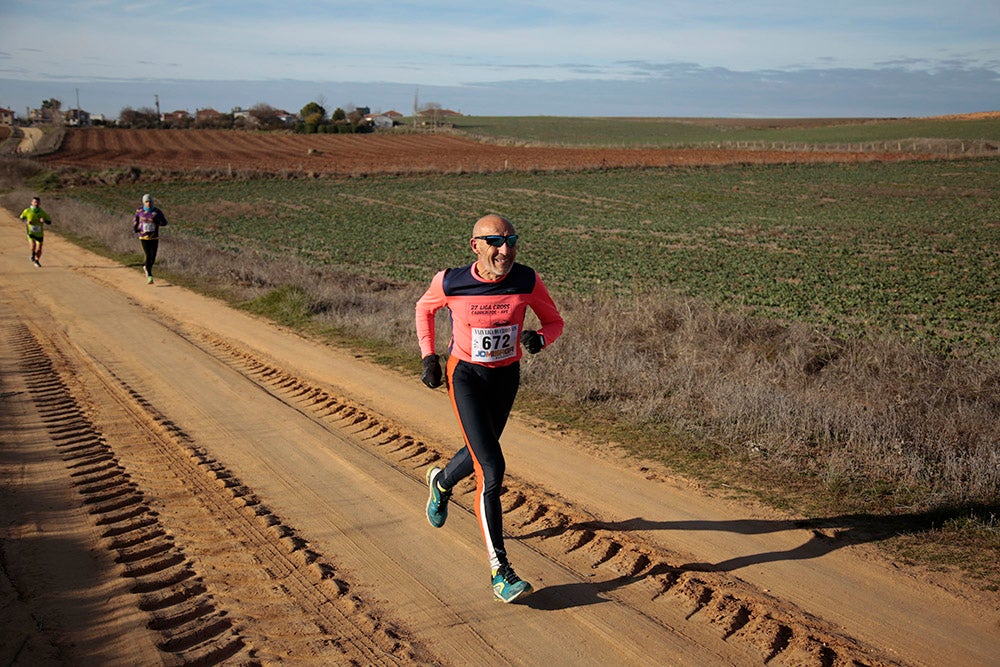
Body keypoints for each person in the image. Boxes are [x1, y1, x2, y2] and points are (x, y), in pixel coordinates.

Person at [415, 213, 564, 603]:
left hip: (505, 377)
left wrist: (540, 340)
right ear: (475, 246)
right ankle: (501, 572)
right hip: (465, 377)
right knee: (492, 467)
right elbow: (423, 309)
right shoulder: (450, 281)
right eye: (496, 241)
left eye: (511, 240)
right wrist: (428, 355)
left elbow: (554, 321)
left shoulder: (526, 279)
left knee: (481, 453)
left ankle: (441, 482)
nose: (505, 249)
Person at [132, 193, 168, 284]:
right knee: (148, 255)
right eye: (146, 202)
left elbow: (164, 222)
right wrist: (135, 228)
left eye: (150, 201)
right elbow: (135, 220)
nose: (148, 203)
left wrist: (158, 222)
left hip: (154, 237)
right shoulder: (139, 211)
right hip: (143, 237)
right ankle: (150, 276)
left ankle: (146, 267)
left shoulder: (157, 212)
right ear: (144, 202)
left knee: (153, 257)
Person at [19, 196, 51, 267]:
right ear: (32, 202)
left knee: (39, 248)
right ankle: (33, 254)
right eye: (35, 202)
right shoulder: (27, 210)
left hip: (39, 233)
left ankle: (37, 261)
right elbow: (21, 218)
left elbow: (49, 222)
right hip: (30, 231)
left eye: (37, 202)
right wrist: (26, 221)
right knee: (33, 246)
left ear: (40, 203)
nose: (36, 203)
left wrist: (44, 221)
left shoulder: (42, 212)